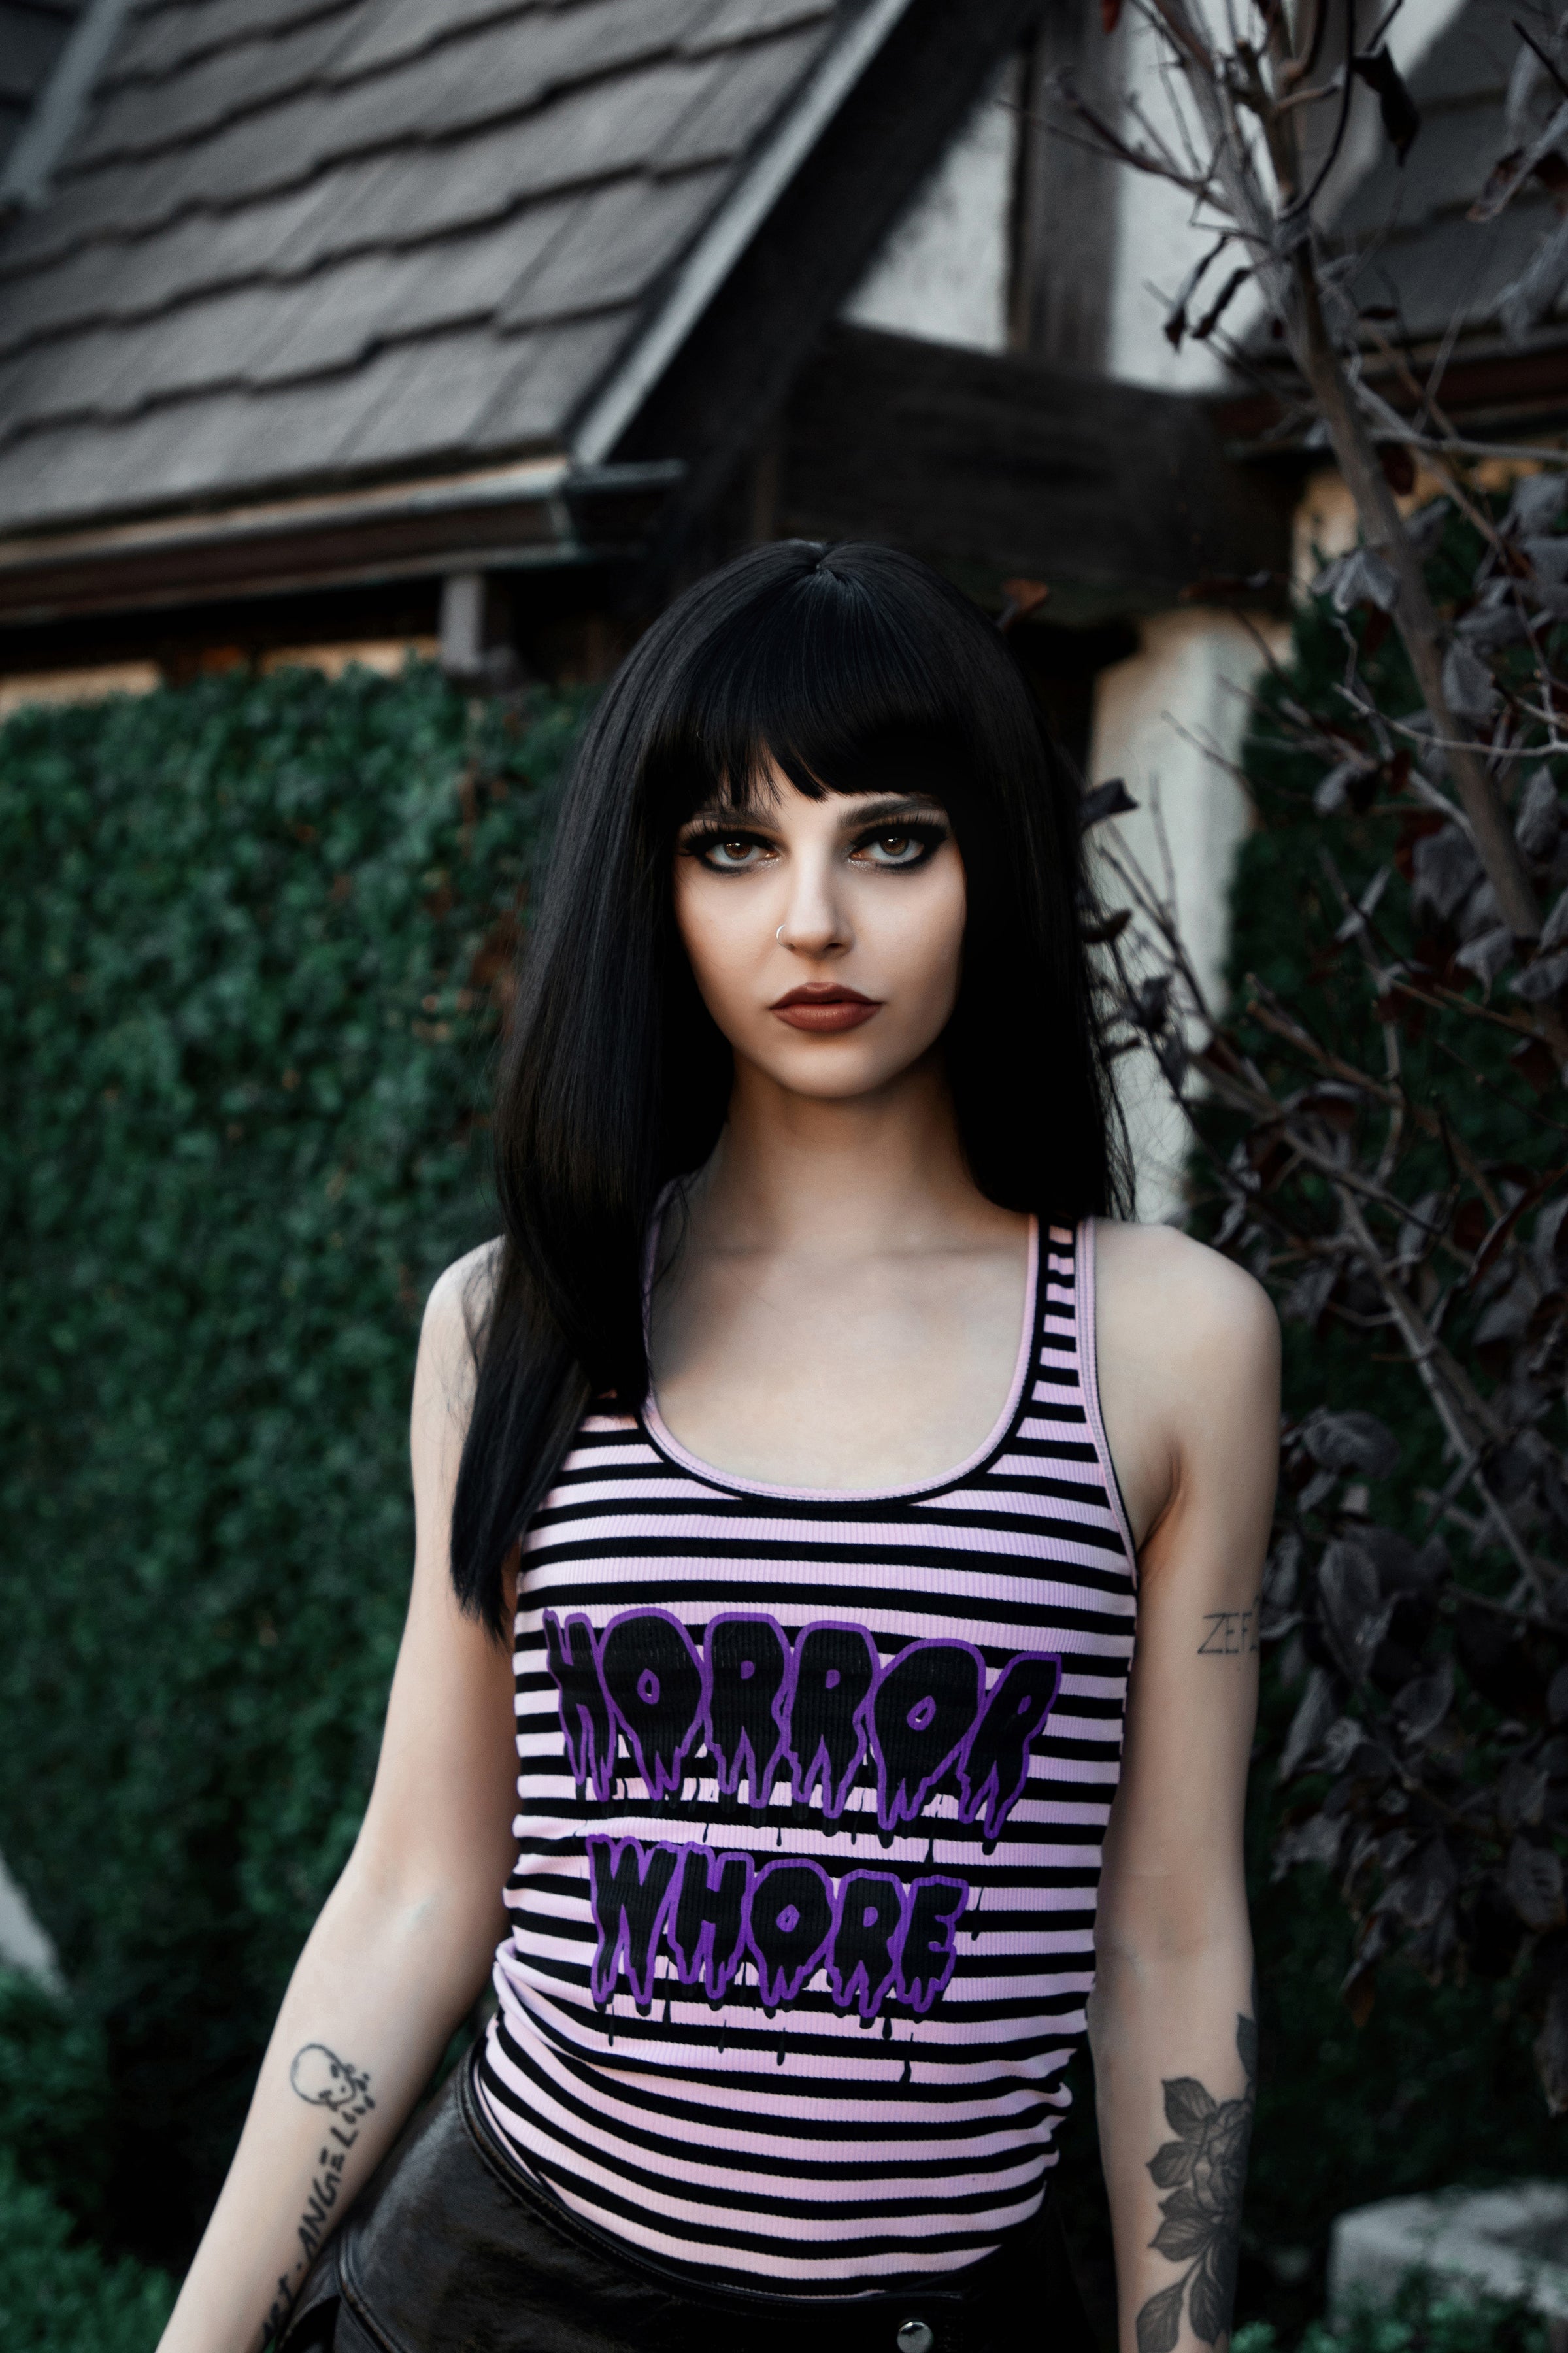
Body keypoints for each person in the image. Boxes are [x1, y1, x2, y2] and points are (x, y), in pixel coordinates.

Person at [158, 542, 1278, 2353]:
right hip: (499, 2295)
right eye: (735, 846)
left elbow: (1169, 1930)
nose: (813, 921)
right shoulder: (517, 1321)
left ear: (993, 863)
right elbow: (420, 1886)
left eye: (891, 840)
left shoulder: (1169, 1344)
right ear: (654, 887)